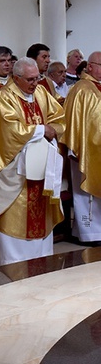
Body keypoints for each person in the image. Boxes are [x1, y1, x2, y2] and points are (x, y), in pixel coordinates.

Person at [0, 58, 65, 266]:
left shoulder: (41, 93)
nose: (35, 83)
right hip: (13, 168)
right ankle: (10, 261)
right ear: (15, 78)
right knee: (14, 214)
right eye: (30, 79)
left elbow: (58, 116)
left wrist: (53, 128)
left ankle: (40, 257)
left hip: (40, 166)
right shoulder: (4, 97)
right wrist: (42, 130)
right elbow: (8, 131)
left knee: (39, 211)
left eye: (37, 78)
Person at [62, 51, 101, 244]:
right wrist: (75, 148)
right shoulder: (81, 89)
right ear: (90, 66)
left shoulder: (98, 87)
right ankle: (89, 233)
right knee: (85, 191)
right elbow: (74, 121)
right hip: (85, 150)